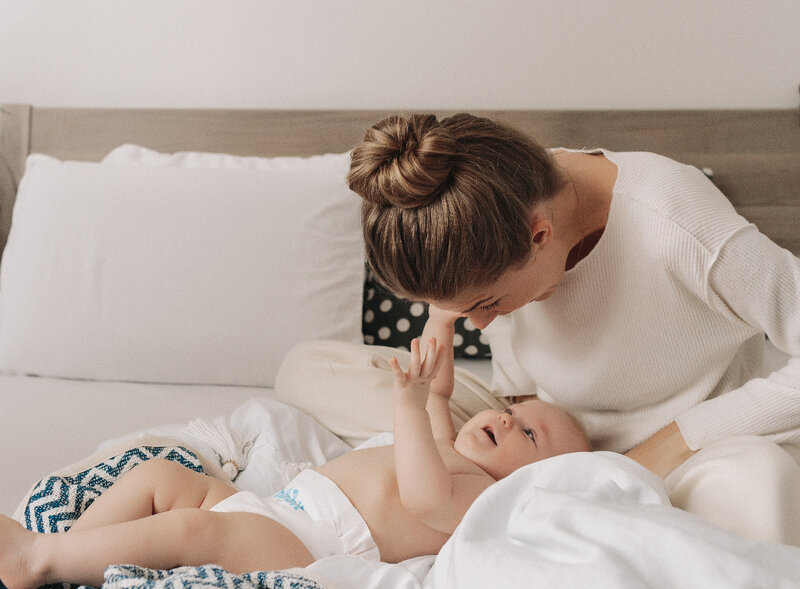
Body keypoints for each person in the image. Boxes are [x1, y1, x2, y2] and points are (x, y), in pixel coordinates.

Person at [275, 112, 800, 547]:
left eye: (487, 303)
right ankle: (454, 489)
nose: (480, 323)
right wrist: (470, 400)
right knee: (308, 368)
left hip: (677, 450)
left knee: (761, 479)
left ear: (540, 235)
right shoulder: (491, 201)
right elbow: (508, 371)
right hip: (532, 435)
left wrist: (674, 443)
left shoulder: (676, 221)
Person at [0, 306, 590, 589]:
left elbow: (423, 495)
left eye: (528, 435)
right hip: (277, 509)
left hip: (307, 550)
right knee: (161, 476)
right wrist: (442, 316)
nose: (505, 419)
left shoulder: (481, 499)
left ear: (538, 479)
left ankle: (38, 561)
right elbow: (437, 387)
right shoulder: (445, 444)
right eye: (513, 411)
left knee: (192, 532)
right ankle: (68, 554)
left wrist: (407, 407)